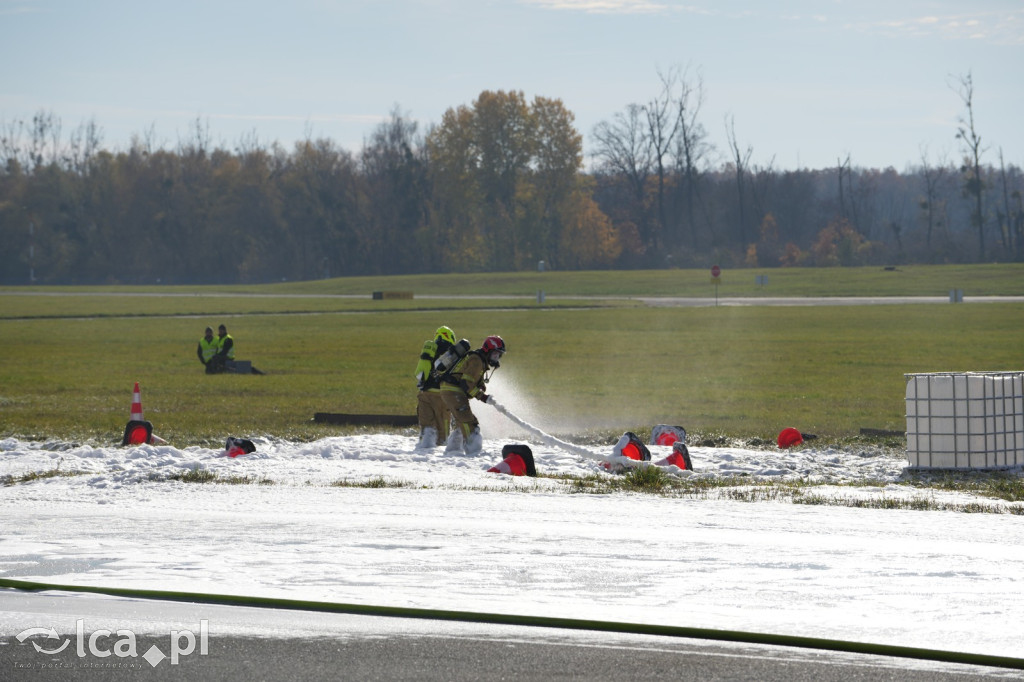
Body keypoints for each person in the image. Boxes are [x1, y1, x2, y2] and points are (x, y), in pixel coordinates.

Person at [440, 335, 505, 455]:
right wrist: (483, 397)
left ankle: (453, 450)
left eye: (499, 355)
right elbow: (466, 384)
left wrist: (480, 388)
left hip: (450, 390)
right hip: (453, 391)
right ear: (488, 350)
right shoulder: (477, 361)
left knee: (461, 423)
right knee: (469, 422)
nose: (497, 358)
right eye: (496, 354)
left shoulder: (480, 360)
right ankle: (473, 451)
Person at [414, 326, 456, 448]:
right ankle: (439, 461)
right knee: (443, 437)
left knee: (426, 428)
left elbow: (419, 374)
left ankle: (424, 451)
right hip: (443, 397)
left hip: (425, 395)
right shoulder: (452, 355)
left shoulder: (429, 351)